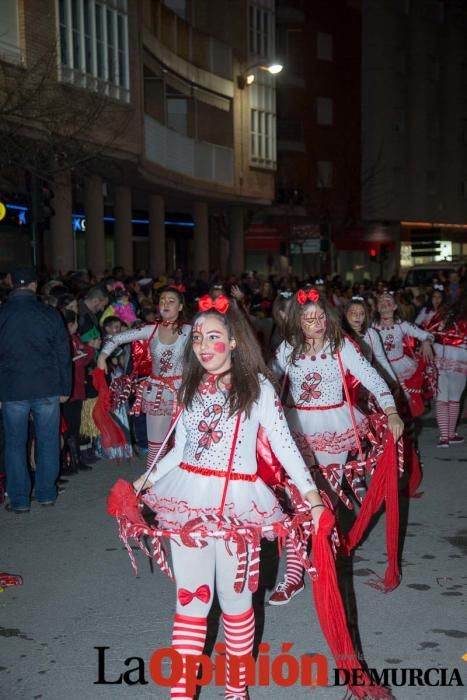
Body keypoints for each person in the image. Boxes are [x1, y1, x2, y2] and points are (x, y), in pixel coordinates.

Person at [132, 294, 324, 700]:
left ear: (234, 340)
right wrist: (143, 482)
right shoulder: (189, 388)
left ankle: (236, 692)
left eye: (213, 336)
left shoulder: (258, 390)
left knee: (236, 605)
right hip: (188, 502)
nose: (202, 345)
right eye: (197, 336)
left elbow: (286, 447)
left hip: (240, 507)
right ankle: (182, 693)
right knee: (191, 601)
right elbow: (181, 451)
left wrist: (312, 496)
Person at [269, 288, 403, 605]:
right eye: (306, 318)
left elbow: (372, 377)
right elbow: (267, 381)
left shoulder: (342, 346)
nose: (313, 323)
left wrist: (392, 411)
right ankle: (292, 575)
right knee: (295, 500)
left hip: (334, 428)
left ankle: (322, 559)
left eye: (318, 317)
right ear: (297, 321)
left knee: (324, 500)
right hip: (295, 428)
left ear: (327, 318)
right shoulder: (288, 347)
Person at [0, 266, 72, 512]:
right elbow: (64, 353)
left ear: (11, 283)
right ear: (34, 286)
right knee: (48, 441)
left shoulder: (2, 313)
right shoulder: (49, 314)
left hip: (12, 388)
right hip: (47, 386)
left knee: (14, 444)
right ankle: (46, 493)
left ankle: (20, 499)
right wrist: (65, 386)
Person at [98, 287, 191, 467]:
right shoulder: (150, 329)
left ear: (180, 307)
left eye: (171, 301)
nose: (165, 304)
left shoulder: (190, 330)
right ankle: (152, 488)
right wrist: (103, 355)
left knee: (188, 445)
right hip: (157, 394)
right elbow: (115, 338)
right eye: (162, 300)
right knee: (156, 448)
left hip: (184, 393)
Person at [432, 291, 467, 446]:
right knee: (454, 398)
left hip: (440, 355)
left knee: (441, 398)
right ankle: (451, 434)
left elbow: (429, 331)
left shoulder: (443, 314)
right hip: (460, 357)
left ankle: (444, 437)